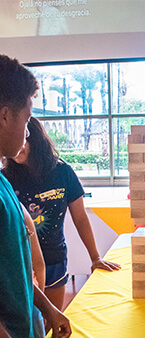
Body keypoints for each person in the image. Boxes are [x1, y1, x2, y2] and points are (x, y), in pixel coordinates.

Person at [0, 54, 72, 338]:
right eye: (26, 119)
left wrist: (47, 307)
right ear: (4, 115)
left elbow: (16, 269)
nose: (28, 130)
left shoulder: (3, 182)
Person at [2, 117, 121, 311]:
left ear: (35, 139)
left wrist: (95, 257)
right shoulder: (6, 177)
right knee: (29, 324)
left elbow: (80, 218)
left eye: (24, 139)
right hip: (21, 262)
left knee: (53, 322)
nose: (18, 148)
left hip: (54, 258)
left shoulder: (63, 172)